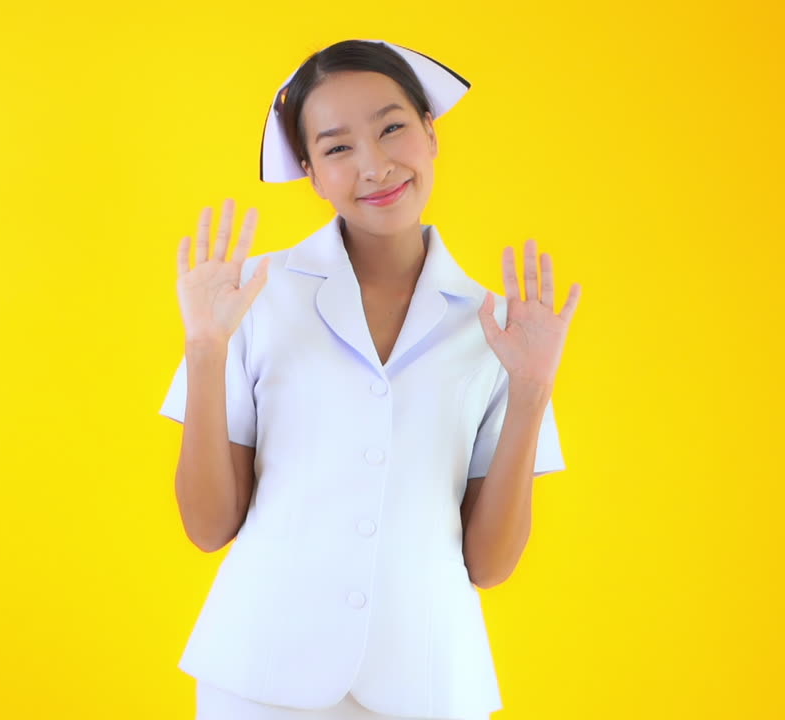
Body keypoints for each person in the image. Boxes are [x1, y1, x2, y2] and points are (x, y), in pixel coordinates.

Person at [159, 39, 583, 720]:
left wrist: (532, 391)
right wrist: (206, 350)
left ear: (430, 133)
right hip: (262, 675)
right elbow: (208, 527)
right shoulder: (251, 297)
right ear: (310, 172)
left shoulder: (502, 329)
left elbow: (490, 566)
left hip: (429, 681)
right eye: (336, 148)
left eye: (392, 129)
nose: (375, 165)